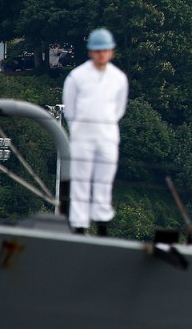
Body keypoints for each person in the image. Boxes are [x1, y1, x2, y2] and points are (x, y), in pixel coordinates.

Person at [62, 28, 129, 235]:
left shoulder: (119, 78)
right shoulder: (76, 77)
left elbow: (119, 109)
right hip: (82, 136)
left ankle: (102, 223)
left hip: (107, 136)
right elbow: (70, 109)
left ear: (111, 52)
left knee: (104, 180)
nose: (101, 54)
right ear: (91, 52)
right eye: (98, 50)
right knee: (80, 180)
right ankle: (79, 225)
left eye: (105, 50)